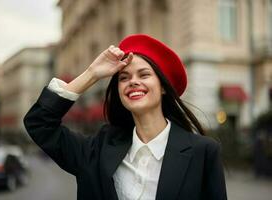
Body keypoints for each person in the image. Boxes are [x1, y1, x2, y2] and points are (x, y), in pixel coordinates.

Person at [23, 34, 227, 200]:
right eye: (124, 77)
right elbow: (39, 123)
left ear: (164, 87)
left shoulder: (203, 152)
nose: (133, 82)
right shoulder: (97, 151)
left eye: (144, 75)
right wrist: (92, 74)